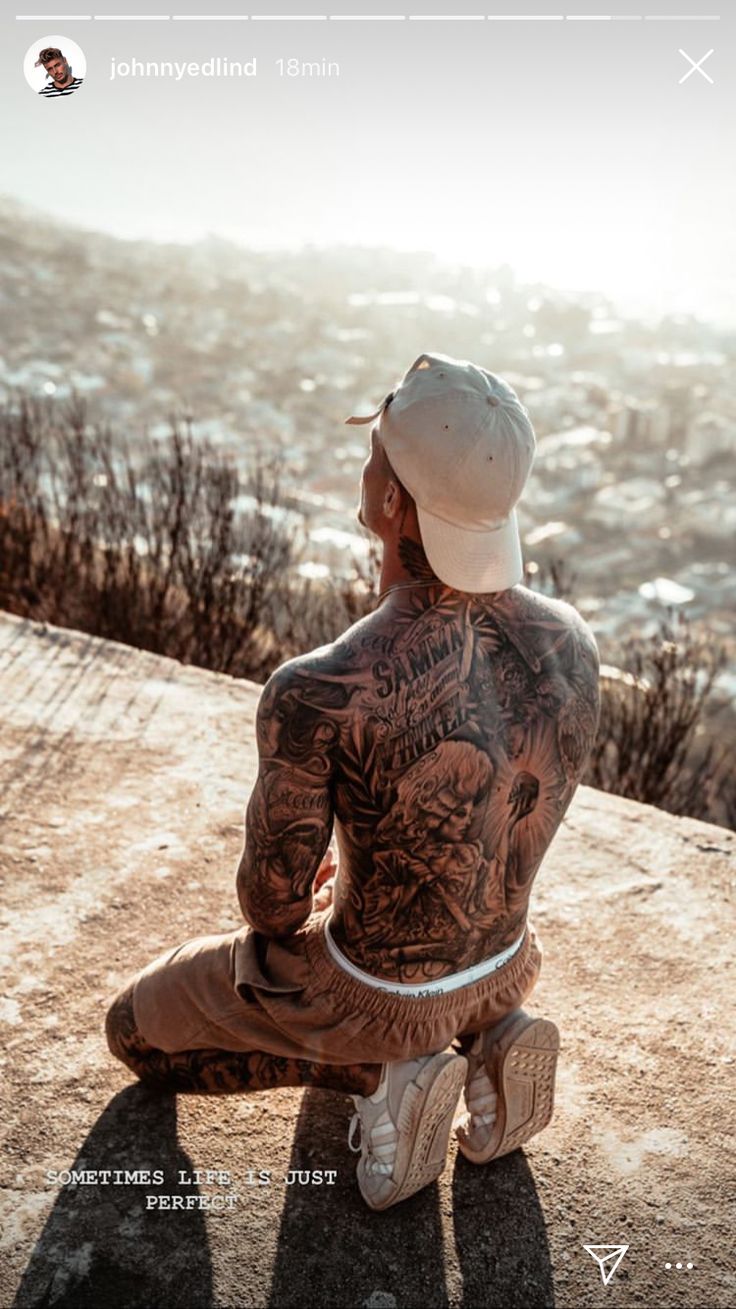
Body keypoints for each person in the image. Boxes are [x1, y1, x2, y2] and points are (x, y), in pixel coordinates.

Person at [106, 353, 600, 1210]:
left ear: (392, 501)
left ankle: (391, 1072)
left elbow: (271, 910)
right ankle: (492, 1036)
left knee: (134, 1029)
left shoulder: (320, 687)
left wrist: (324, 881)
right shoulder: (572, 643)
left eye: (374, 451)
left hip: (375, 989)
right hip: (506, 957)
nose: (366, 466)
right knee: (461, 976)